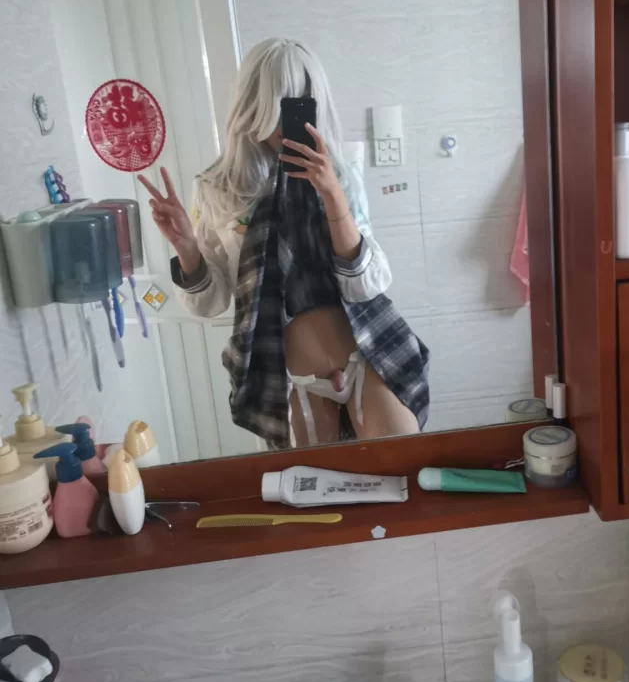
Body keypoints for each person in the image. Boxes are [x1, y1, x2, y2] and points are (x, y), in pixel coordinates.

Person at [139, 38, 428, 450]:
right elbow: (212, 303)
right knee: (318, 484)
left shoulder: (340, 175)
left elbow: (368, 284)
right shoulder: (217, 189)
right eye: (275, 104)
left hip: (366, 357)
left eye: (300, 101)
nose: (285, 119)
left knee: (401, 466)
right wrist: (186, 247)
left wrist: (332, 196)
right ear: (252, 104)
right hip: (292, 378)